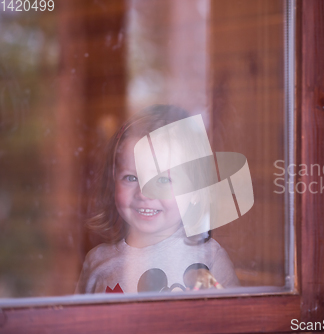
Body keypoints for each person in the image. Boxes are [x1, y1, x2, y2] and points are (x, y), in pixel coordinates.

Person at [76, 105, 240, 294]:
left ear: (195, 189)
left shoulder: (208, 258)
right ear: (112, 182)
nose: (144, 194)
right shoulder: (98, 262)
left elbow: (231, 319)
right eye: (131, 178)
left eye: (162, 180)